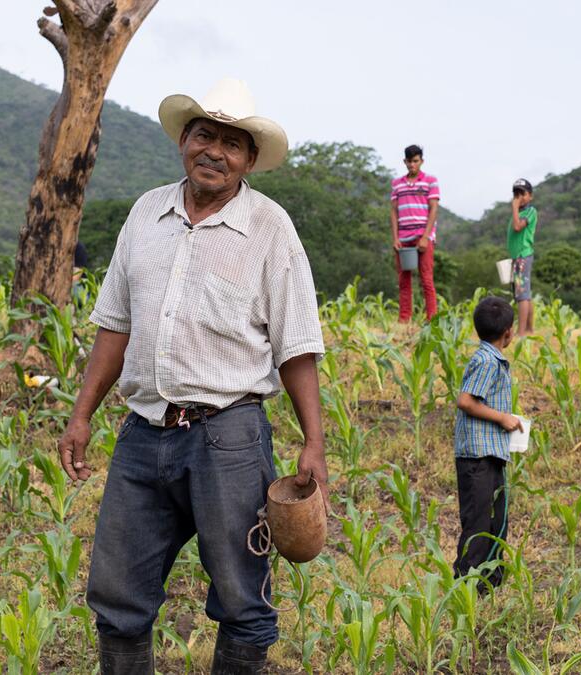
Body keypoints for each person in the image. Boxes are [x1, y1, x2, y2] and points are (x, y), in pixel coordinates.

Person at [57, 78, 328, 675]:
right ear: (184, 139)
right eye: (205, 135)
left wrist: (313, 440)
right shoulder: (146, 213)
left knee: (241, 601)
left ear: (249, 158)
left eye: (232, 144)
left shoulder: (270, 228)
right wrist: (81, 416)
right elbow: (114, 326)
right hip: (143, 432)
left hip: (227, 437)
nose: (216, 152)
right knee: (118, 598)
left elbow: (297, 345)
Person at [453, 296, 523, 591]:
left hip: (490, 454)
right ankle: (467, 587)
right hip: (477, 459)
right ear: (508, 332)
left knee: (496, 522)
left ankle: (489, 584)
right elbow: (465, 401)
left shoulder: (490, 359)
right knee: (479, 524)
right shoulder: (486, 362)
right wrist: (501, 418)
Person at [389, 144, 440, 324]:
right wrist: (395, 238)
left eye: (415, 161)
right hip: (403, 238)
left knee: (426, 279)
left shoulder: (430, 181)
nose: (412, 165)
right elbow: (394, 212)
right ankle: (404, 319)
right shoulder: (397, 184)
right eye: (409, 161)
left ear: (421, 161)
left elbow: (434, 209)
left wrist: (426, 236)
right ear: (405, 161)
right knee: (404, 280)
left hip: (422, 236)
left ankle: (432, 319)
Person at [507, 178, 537, 335]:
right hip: (517, 257)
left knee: (522, 295)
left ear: (530, 196)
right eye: (516, 194)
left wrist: (514, 208)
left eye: (522, 194)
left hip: (522, 256)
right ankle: (529, 329)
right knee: (525, 293)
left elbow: (518, 227)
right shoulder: (518, 213)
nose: (519, 197)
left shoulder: (530, 212)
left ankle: (521, 332)